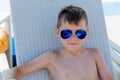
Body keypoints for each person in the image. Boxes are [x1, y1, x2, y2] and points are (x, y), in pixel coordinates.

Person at [6, 5, 113, 80]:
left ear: (86, 32)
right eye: (66, 33)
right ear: (57, 32)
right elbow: (18, 70)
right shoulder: (52, 57)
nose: (73, 38)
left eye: (80, 33)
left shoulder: (94, 54)